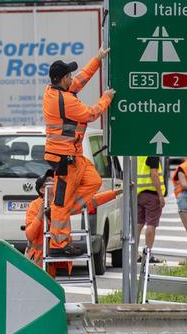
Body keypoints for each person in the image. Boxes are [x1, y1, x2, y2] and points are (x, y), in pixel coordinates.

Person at [43, 47, 115, 257]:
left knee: (94, 182)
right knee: (61, 202)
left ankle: (61, 210)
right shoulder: (66, 101)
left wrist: (98, 58)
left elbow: (81, 80)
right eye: (68, 76)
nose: (72, 78)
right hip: (64, 159)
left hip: (72, 156)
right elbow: (91, 114)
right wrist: (106, 98)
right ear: (62, 79)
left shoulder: (55, 91)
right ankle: (59, 244)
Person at [25, 170, 122, 276]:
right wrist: (40, 214)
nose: (55, 181)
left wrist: (116, 192)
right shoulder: (35, 206)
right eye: (49, 181)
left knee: (50, 289)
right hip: (36, 261)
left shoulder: (63, 203)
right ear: (42, 189)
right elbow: (30, 235)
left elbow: (92, 201)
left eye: (55, 179)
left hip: (53, 260)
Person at [136, 155, 166, 263]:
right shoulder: (152, 154)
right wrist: (160, 196)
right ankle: (148, 253)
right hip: (152, 194)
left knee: (138, 224)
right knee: (151, 224)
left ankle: (135, 254)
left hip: (138, 193)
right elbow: (154, 175)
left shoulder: (138, 155)